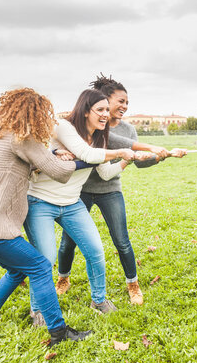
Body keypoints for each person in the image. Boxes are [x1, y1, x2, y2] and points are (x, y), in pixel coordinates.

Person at [0, 88, 92, 347]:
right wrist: (91, 159)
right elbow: (60, 173)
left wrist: (52, 154)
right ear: (34, 115)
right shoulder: (22, 140)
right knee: (39, 266)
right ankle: (59, 332)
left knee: (18, 270)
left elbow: (31, 160)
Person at [56, 75, 186, 305]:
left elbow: (137, 159)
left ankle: (133, 284)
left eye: (127, 102)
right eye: (120, 101)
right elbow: (120, 145)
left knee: (122, 240)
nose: (124, 106)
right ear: (102, 102)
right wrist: (145, 148)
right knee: (69, 241)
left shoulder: (128, 130)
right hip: (82, 190)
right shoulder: (93, 127)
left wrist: (159, 157)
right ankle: (63, 278)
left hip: (110, 188)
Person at [24, 89, 141, 324]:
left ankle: (99, 300)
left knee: (95, 251)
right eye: (100, 110)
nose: (106, 114)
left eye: (107, 110)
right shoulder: (65, 127)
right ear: (85, 111)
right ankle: (37, 310)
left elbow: (105, 172)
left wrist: (126, 160)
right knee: (44, 259)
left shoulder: (98, 137)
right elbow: (87, 154)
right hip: (41, 201)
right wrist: (119, 151)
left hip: (71, 203)